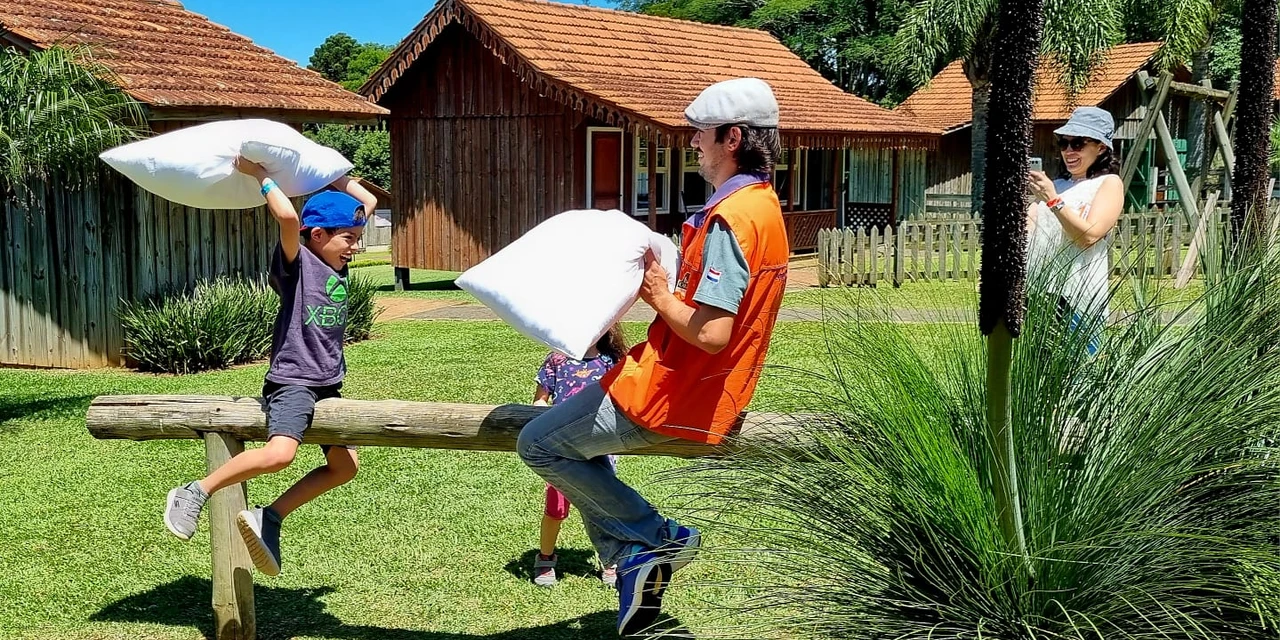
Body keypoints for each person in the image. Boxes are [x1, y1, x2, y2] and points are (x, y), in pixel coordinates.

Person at [517, 77, 790, 636]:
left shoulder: (731, 218)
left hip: (674, 390)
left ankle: (659, 537)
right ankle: (633, 568)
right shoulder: (763, 207)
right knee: (579, 454)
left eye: (701, 133)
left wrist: (660, 296)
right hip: (706, 387)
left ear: (733, 138)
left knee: (538, 443)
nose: (693, 143)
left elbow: (712, 332)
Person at [162, 158, 377, 577]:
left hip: (328, 383)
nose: (355, 246)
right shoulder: (298, 265)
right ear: (318, 235)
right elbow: (288, 217)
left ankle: (270, 518)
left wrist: (329, 172)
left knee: (344, 467)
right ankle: (194, 491)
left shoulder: (337, 262)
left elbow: (366, 199)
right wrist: (258, 173)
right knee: (280, 455)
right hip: (294, 381)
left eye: (357, 238)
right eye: (349, 238)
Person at [530, 326, 628, 588]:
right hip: (560, 449)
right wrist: (543, 417)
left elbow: (623, 399)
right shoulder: (557, 360)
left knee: (602, 508)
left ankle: (610, 562)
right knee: (556, 508)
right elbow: (540, 399)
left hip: (600, 447)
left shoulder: (611, 361)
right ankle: (545, 557)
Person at [1026, 106, 1125, 356]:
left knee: (1077, 376)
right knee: (1039, 375)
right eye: (1064, 143)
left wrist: (1053, 200)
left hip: (1079, 302)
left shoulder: (1109, 183)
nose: (1069, 151)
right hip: (1040, 296)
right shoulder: (1056, 185)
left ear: (1101, 148)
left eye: (1078, 143)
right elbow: (1028, 231)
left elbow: (1089, 237)